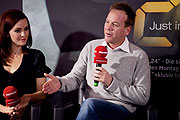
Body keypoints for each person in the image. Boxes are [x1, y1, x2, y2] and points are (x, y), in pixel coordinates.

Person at [42, 2, 150, 120]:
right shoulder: (91, 47)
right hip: (88, 109)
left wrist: (111, 83)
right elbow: (75, 78)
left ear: (127, 30)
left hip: (120, 110)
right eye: (107, 22)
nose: (108, 27)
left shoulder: (139, 56)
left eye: (115, 24)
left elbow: (142, 97)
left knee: (91, 104)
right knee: (90, 105)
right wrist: (60, 83)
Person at [0, 9, 51, 120]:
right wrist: (5, 109)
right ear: (6, 33)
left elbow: (42, 94)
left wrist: (28, 98)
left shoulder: (36, 56)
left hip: (29, 114)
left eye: (26, 29)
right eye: (17, 31)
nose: (24, 34)